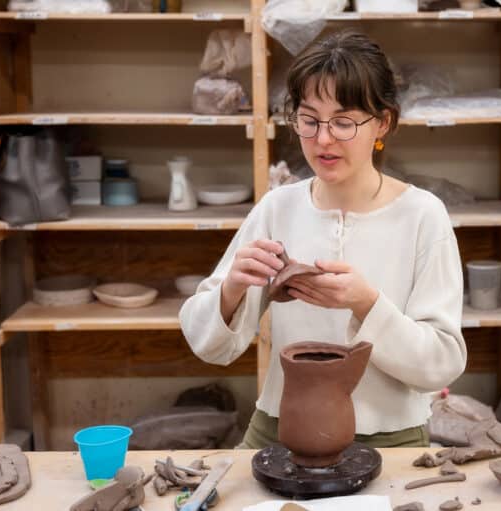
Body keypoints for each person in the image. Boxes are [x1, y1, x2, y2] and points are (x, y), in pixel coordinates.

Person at [179, 31, 466, 449]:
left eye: (344, 122)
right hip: (280, 430)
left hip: (390, 438)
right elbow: (208, 345)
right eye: (309, 120)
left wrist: (366, 303)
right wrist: (232, 289)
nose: (324, 139)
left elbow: (441, 364)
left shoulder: (422, 215)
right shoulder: (277, 209)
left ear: (383, 123)